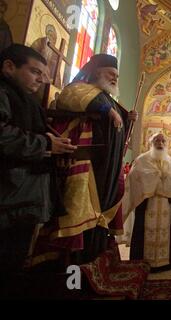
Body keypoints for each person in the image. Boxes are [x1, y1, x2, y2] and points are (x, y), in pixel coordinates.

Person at [34, 54, 138, 266]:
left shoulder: (107, 97)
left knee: (100, 212)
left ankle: (95, 261)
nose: (115, 78)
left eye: (117, 75)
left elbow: (116, 129)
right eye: (111, 74)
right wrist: (107, 110)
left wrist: (128, 119)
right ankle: (75, 265)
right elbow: (73, 98)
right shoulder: (79, 88)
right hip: (87, 165)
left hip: (106, 167)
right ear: (96, 72)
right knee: (85, 209)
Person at [0, 44, 76, 297]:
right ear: (9, 67)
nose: (42, 79)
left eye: (43, 74)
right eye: (35, 72)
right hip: (9, 197)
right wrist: (46, 144)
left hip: (22, 198)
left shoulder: (27, 100)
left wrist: (56, 152)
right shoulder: (4, 92)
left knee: (14, 263)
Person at [121, 133, 171, 272]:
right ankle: (142, 262)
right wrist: (154, 180)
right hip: (147, 203)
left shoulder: (170, 162)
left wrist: (165, 183)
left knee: (164, 233)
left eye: (162, 141)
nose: (160, 143)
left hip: (165, 204)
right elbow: (134, 178)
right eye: (157, 140)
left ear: (166, 144)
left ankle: (165, 262)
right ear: (151, 142)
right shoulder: (142, 160)